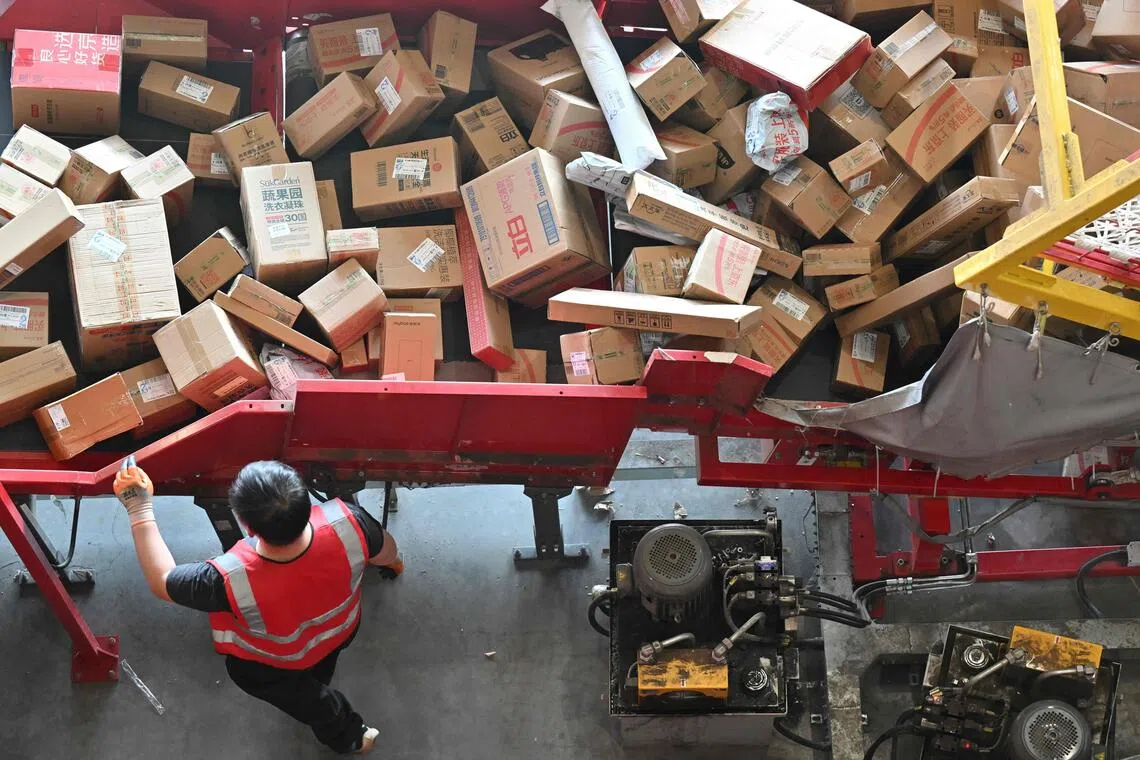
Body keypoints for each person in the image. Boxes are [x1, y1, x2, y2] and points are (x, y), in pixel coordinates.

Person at [114, 459, 403, 755]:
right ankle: (318, 681)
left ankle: (348, 734)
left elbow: (163, 581)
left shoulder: (225, 579)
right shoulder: (349, 522)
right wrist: (392, 562)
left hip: (271, 663)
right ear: (306, 501)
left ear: (248, 527)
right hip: (338, 631)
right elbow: (388, 551)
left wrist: (139, 509)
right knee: (320, 669)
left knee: (315, 701)